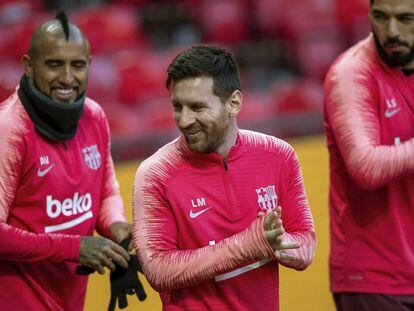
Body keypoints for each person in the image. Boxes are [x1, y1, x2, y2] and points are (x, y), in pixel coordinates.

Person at [132, 44, 316, 310]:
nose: (184, 120)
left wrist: (279, 244)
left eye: (197, 107)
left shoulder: (278, 154)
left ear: (233, 102)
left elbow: (306, 242)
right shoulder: (156, 173)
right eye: (177, 106)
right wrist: (248, 245)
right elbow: (158, 269)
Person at [0, 10, 133, 311]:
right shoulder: (9, 130)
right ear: (29, 67)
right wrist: (75, 248)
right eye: (54, 65)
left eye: (77, 65)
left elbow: (105, 192)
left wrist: (116, 226)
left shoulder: (95, 116)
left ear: (89, 66)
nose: (67, 78)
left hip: (71, 301)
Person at [324, 0, 414, 309]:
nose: (392, 31)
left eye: (405, 19)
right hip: (374, 279)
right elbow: (366, 166)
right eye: (381, 17)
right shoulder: (350, 75)